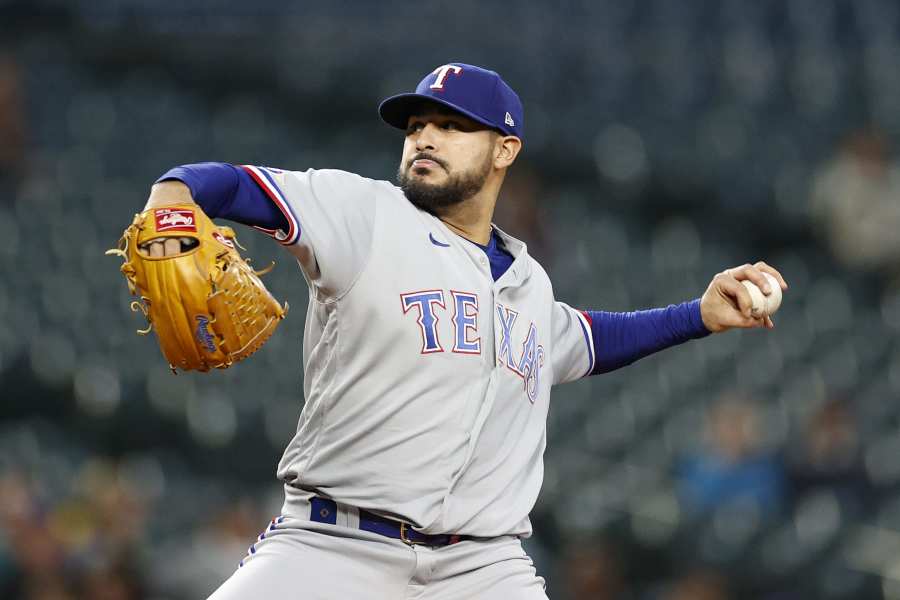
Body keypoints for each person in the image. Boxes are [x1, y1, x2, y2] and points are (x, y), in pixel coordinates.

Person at [139, 63, 787, 599]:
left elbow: (584, 339)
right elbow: (226, 184)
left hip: (481, 571)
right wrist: (171, 198)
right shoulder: (362, 213)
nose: (425, 137)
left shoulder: (528, 281)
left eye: (452, 126)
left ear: (505, 149)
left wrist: (698, 316)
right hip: (333, 547)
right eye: (417, 125)